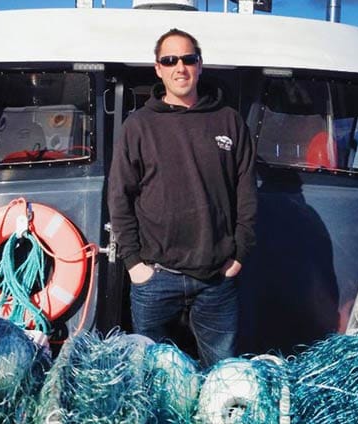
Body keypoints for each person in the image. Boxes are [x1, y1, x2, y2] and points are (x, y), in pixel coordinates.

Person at [108, 28, 257, 367]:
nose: (180, 67)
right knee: (153, 375)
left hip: (217, 279)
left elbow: (246, 193)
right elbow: (120, 197)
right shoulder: (138, 126)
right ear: (158, 68)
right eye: (170, 60)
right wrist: (134, 264)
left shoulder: (229, 121)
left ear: (200, 65)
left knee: (223, 371)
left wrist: (239, 255)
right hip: (154, 279)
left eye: (188, 59)